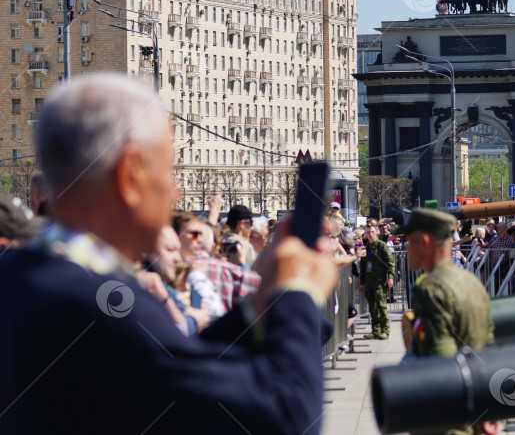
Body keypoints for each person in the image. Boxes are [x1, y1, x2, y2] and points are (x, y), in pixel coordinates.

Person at [0, 75, 337, 434]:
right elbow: (286, 418)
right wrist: (298, 295)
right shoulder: (96, 300)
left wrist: (257, 309)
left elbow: (177, 365)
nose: (174, 193)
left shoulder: (25, 272)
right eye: (168, 170)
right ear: (131, 174)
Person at [399, 208, 497, 435]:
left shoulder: (430, 286)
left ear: (424, 241)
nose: (406, 248)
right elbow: (488, 347)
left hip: (446, 418)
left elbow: (440, 360)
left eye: (408, 241)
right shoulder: (469, 280)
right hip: (475, 406)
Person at [360, 224, 395, 339]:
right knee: (372, 307)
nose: (370, 234)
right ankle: (376, 330)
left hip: (380, 280)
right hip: (369, 281)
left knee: (381, 305)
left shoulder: (382, 246)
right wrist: (362, 283)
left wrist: (390, 277)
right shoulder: (366, 247)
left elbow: (390, 262)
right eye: (368, 232)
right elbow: (363, 267)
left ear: (376, 232)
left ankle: (385, 330)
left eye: (372, 232)